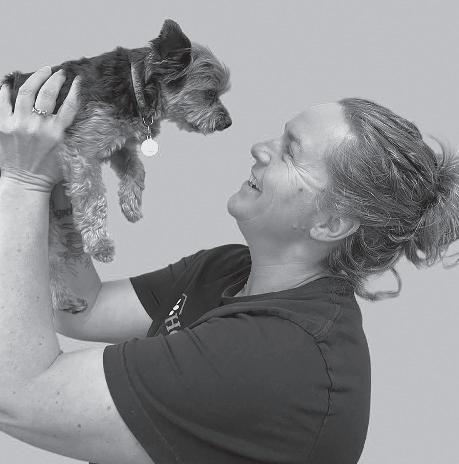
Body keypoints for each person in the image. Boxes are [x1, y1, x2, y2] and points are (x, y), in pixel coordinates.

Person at [0, 67, 457, 464]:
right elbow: (83, 306)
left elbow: (16, 395)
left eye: (290, 152)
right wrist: (56, 179)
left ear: (331, 224)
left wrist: (24, 179)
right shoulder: (231, 270)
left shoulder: (277, 354)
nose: (260, 147)